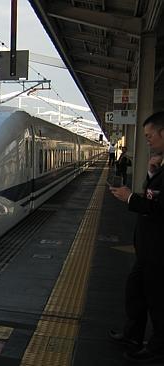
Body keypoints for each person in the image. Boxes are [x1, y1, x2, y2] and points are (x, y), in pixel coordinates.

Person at [109, 111, 164, 363]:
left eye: (149, 136)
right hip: (148, 247)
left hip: (159, 250)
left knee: (158, 299)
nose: (147, 141)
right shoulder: (160, 165)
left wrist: (131, 198)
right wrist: (151, 175)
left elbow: (160, 208)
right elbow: (155, 197)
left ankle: (157, 348)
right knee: (137, 290)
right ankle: (133, 334)